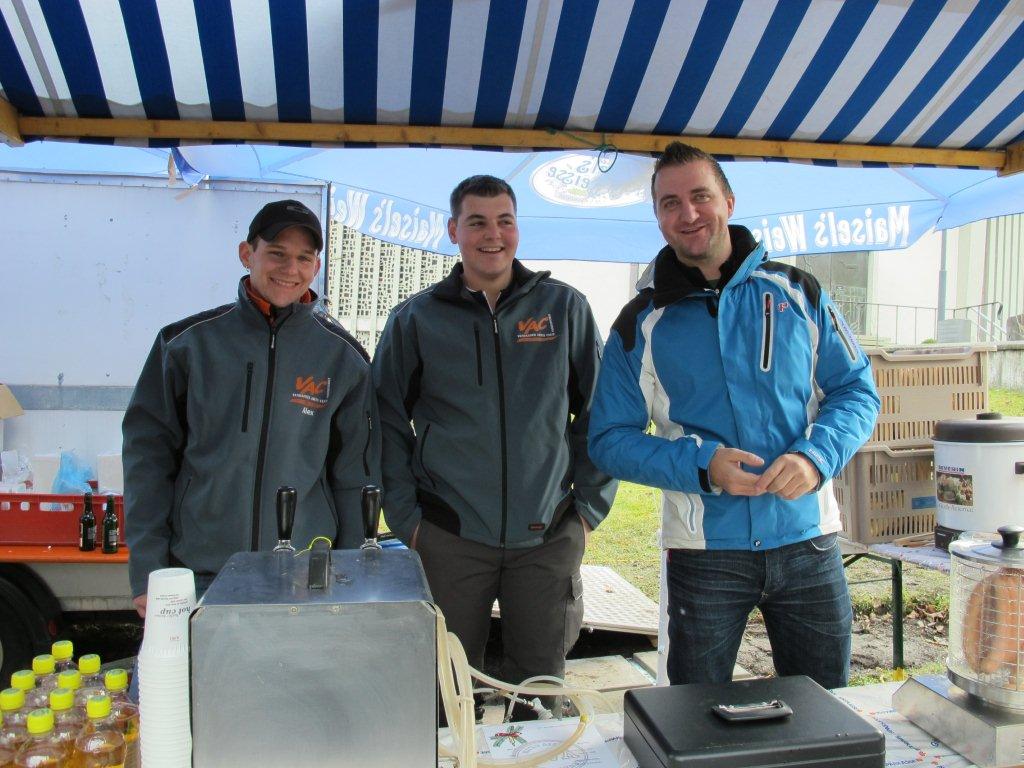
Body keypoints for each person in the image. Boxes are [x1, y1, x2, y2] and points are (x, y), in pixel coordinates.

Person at [588, 143, 880, 689]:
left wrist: (815, 458)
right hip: (704, 554)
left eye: (700, 196)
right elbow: (609, 439)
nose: (688, 213)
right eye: (670, 203)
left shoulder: (798, 292)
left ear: (728, 200)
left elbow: (857, 392)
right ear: (658, 217)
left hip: (808, 541)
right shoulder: (640, 321)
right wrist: (702, 465)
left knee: (826, 711)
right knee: (692, 716)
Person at [373, 175, 617, 706]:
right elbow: (386, 422)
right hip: (449, 536)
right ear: (453, 230)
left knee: (540, 695)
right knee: (446, 694)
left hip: (546, 537)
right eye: (478, 222)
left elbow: (600, 412)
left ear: (517, 228)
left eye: (505, 221)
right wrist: (408, 521)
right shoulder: (416, 319)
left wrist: (587, 510)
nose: (493, 235)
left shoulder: (564, 308)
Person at [123, 199, 380, 616]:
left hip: (305, 575)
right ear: (247, 254)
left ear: (316, 266)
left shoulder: (343, 358)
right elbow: (147, 460)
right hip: (200, 572)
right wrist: (149, 568)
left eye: (304, 258)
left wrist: (351, 574)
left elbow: (356, 474)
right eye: (277, 253)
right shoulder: (186, 344)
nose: (290, 268)